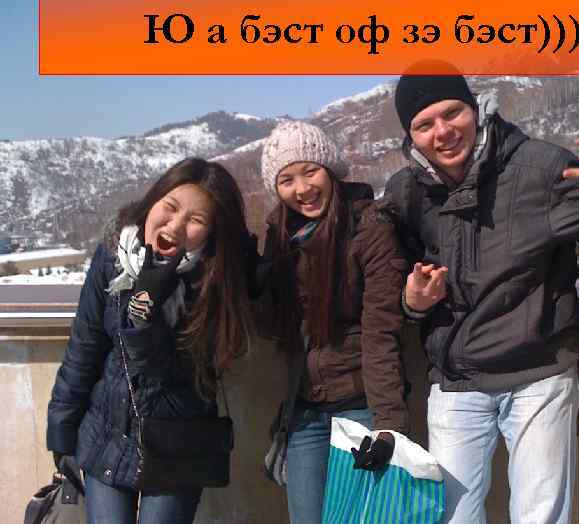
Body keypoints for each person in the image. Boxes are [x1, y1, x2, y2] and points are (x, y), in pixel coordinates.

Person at [382, 62, 579, 524]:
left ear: (476, 109)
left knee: (540, 516)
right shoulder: (407, 194)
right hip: (456, 382)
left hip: (540, 374)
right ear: (411, 137)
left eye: (452, 112)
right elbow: (385, 280)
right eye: (425, 124)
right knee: (451, 517)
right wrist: (412, 303)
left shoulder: (541, 169)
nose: (443, 131)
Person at [46, 158, 257, 524]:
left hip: (178, 446)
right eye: (170, 207)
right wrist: (62, 431)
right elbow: (84, 348)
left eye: (195, 219)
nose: (175, 226)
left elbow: (181, 376)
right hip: (107, 434)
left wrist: (145, 313)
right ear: (153, 201)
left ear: (212, 232)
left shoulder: (216, 282)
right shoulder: (113, 257)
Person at [257, 121, 409, 523]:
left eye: (310, 171)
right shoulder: (280, 236)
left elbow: (380, 332)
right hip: (304, 410)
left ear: (331, 170)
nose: (302, 188)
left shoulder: (370, 228)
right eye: (287, 179)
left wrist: (388, 426)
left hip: (360, 406)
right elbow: (274, 326)